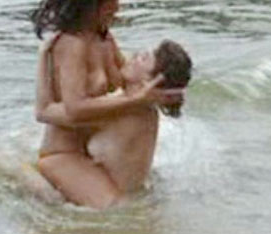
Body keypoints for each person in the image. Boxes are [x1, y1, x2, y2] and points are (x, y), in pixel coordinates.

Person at [29, 0, 182, 209]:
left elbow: (131, 81)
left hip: (93, 153)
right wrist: (137, 99)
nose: (117, 7)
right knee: (117, 210)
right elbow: (75, 109)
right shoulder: (71, 44)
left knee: (145, 206)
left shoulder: (104, 38)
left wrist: (163, 86)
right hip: (64, 154)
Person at [38, 39, 191, 197]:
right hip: (127, 195)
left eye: (143, 58)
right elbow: (107, 45)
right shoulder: (145, 109)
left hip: (109, 203)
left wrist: (43, 56)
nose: (134, 56)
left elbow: (44, 113)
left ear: (149, 81)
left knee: (29, 169)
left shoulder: (120, 111)